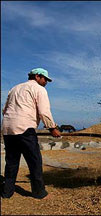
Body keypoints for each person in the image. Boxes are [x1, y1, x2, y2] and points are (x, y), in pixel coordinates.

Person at [1, 68, 61, 199]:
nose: (46, 82)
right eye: (45, 79)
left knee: (11, 161)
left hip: (8, 128)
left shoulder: (14, 88)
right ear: (38, 77)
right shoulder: (39, 89)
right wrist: (52, 128)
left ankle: (7, 192)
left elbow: (4, 109)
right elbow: (44, 111)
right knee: (34, 161)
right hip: (25, 128)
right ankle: (39, 193)